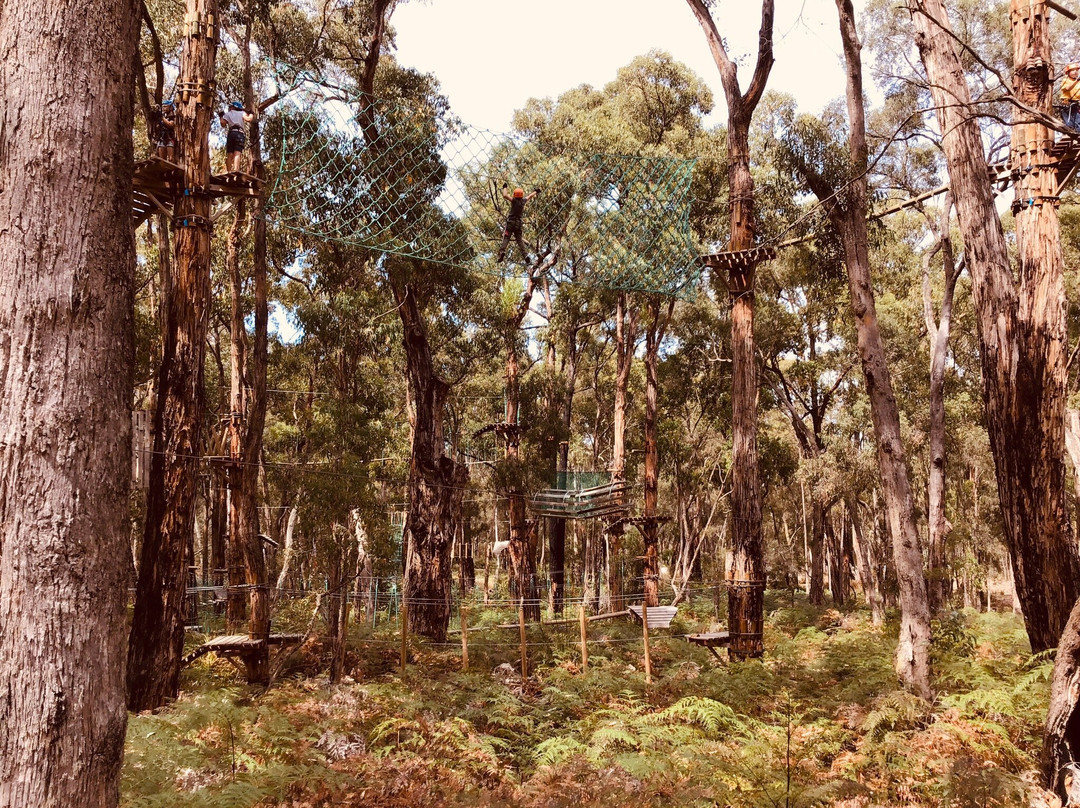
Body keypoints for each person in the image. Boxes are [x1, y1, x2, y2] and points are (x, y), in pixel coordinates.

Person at [496, 184, 540, 262]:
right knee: (519, 240)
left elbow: (505, 195)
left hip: (511, 222)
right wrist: (536, 192)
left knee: (506, 237)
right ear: (522, 195)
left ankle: (502, 252)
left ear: (514, 195)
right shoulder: (523, 201)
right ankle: (525, 255)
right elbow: (529, 196)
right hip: (518, 223)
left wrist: (505, 187)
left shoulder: (514, 200)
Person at [219, 100, 255, 173]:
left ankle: (229, 171)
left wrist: (221, 116)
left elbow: (223, 123)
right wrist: (251, 113)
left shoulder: (228, 114)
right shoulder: (242, 113)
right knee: (237, 153)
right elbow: (248, 119)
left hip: (231, 133)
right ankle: (236, 171)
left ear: (233, 107)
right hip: (239, 133)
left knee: (230, 154)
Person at [1062, 62, 1080, 132]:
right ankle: (1073, 134)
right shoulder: (1066, 80)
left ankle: (1078, 135)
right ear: (1068, 72)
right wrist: (1076, 81)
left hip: (1077, 104)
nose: (1075, 72)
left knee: (1078, 121)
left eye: (1076, 70)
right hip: (1068, 104)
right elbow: (1067, 88)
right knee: (1070, 124)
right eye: (1073, 70)